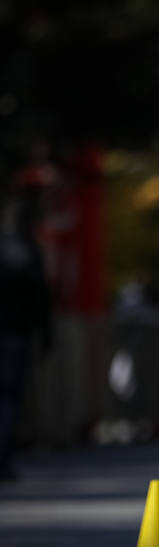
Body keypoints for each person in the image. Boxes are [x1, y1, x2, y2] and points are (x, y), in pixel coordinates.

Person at [0, 192, 52, 482]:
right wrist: (45, 333)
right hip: (15, 333)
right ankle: (4, 457)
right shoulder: (27, 251)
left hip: (14, 332)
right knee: (9, 398)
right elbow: (40, 297)